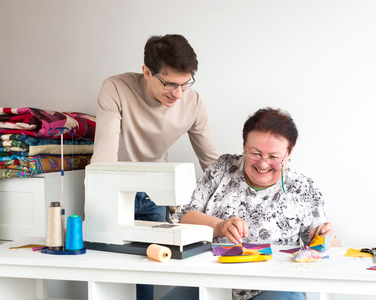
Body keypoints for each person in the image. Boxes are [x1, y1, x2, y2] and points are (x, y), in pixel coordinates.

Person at [164, 107, 343, 300]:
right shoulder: (223, 168)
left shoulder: (302, 188)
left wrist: (326, 238)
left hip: (274, 287)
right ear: (244, 146)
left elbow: (325, 249)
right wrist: (218, 225)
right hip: (211, 280)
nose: (263, 164)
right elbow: (180, 215)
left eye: (274, 157)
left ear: (289, 153)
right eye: (255, 153)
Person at [90, 34, 220, 300]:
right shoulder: (115, 88)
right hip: (114, 190)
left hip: (155, 194)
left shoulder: (192, 103)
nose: (178, 94)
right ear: (147, 72)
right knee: (107, 269)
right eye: (170, 84)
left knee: (147, 270)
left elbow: (211, 162)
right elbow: (103, 160)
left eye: (185, 84)